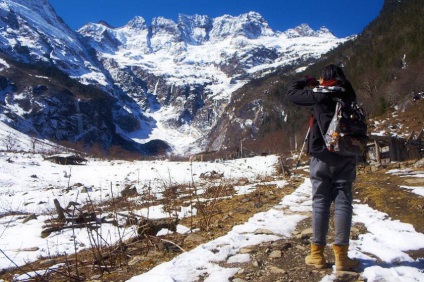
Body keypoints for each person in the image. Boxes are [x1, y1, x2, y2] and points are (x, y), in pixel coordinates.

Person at [285, 64, 360, 271]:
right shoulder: (348, 93)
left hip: (321, 156)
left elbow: (291, 94)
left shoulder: (320, 93)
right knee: (343, 202)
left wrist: (307, 81)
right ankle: (342, 258)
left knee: (320, 202)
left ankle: (317, 255)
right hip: (346, 155)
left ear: (324, 78)